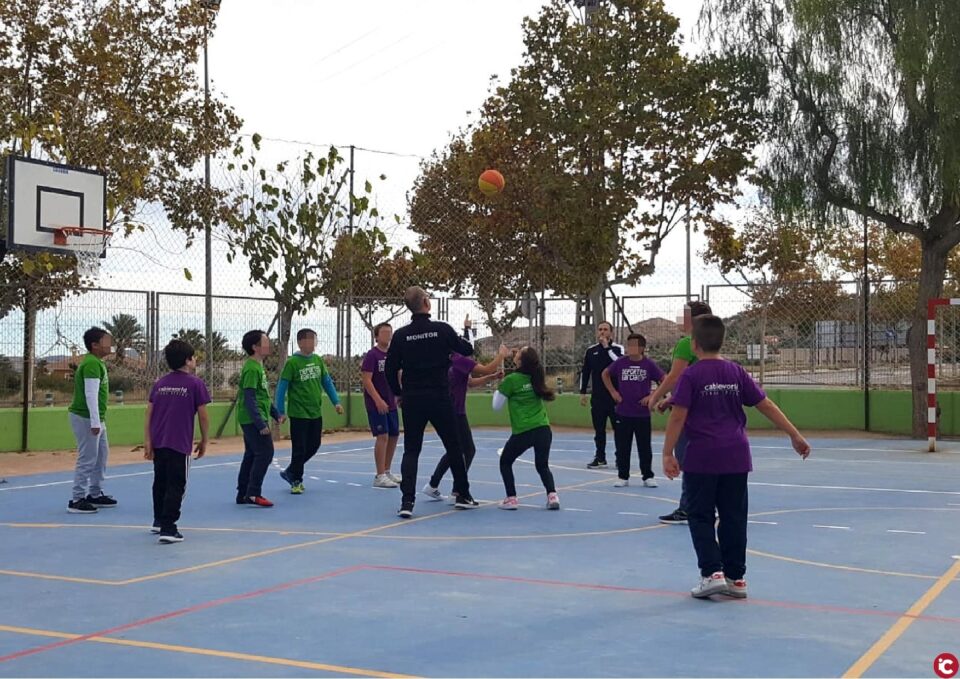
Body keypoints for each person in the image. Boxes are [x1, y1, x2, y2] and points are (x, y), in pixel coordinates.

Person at [662, 314, 810, 599]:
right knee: (733, 517)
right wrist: (794, 434)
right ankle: (736, 578)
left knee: (700, 515)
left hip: (703, 457)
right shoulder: (736, 371)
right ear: (722, 341)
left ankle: (712, 573)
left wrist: (668, 453)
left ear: (693, 345)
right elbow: (765, 404)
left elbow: (678, 415)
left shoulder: (691, 375)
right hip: (736, 456)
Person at [385, 286, 479, 518]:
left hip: (413, 398)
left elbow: (390, 369)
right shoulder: (442, 330)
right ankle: (463, 494)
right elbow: (467, 349)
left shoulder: (401, 335)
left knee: (411, 450)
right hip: (439, 397)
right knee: (454, 446)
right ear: (426, 302)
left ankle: (407, 502)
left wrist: (399, 393)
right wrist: (467, 331)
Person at [422, 315, 512, 502]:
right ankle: (457, 489)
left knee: (454, 449)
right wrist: (501, 356)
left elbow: (469, 382)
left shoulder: (447, 360)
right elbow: (485, 368)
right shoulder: (460, 360)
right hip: (455, 411)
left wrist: (492, 378)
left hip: (446, 410)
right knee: (468, 450)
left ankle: (434, 484)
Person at [646, 301, 713, 525]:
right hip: (707, 409)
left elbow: (675, 377)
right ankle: (696, 506)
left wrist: (656, 396)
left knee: (687, 459)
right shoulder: (712, 345)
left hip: (689, 412)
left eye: (683, 316)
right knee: (699, 461)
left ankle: (694, 508)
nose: (679, 320)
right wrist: (671, 399)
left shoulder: (687, 344)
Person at [144, 339, 211, 544]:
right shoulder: (195, 384)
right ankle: (169, 527)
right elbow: (203, 415)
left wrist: (147, 440)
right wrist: (205, 440)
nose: (196, 360)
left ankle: (158, 520)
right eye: (194, 357)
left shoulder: (160, 383)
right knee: (177, 484)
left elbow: (149, 412)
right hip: (179, 443)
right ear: (188, 360)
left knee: (160, 482)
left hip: (159, 441)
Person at [275, 329, 344, 494]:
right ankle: (296, 480)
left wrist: (336, 402)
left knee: (314, 444)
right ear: (300, 342)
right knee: (299, 448)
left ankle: (291, 471)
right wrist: (280, 411)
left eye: (315, 340)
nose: (313, 343)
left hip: (315, 412)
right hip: (298, 413)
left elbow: (327, 382)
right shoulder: (292, 363)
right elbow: (282, 388)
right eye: (310, 340)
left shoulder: (318, 360)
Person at [493, 347, 560, 510]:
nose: (515, 353)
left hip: (524, 430)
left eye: (518, 352)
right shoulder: (536, 376)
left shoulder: (512, 380)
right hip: (543, 428)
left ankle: (511, 498)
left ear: (520, 360)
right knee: (542, 465)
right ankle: (552, 496)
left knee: (505, 461)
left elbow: (496, 406)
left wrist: (499, 388)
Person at [601, 333, 665, 488]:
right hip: (623, 412)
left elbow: (664, 379)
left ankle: (647, 476)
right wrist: (613, 392)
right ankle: (623, 476)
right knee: (623, 446)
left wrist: (653, 396)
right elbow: (605, 374)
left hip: (642, 413)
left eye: (634, 345)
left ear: (642, 348)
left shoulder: (649, 364)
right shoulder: (621, 363)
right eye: (628, 345)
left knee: (644, 446)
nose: (630, 348)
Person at [67, 327, 117, 514]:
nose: (110, 344)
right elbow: (90, 395)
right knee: (87, 458)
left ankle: (94, 493)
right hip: (86, 417)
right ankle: (77, 499)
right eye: (106, 341)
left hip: (96, 418)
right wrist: (95, 422)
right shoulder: (91, 364)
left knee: (102, 455)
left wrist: (98, 420)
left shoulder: (97, 363)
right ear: (95, 345)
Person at [236, 329, 284, 507]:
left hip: (256, 417)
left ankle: (243, 493)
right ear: (255, 347)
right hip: (251, 419)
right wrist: (260, 423)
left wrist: (275, 413)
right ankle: (253, 493)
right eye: (265, 342)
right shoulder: (251, 369)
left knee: (251, 454)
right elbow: (249, 398)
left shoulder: (258, 367)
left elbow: (262, 396)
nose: (269, 344)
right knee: (265, 453)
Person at [361, 323, 401, 488]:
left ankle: (387, 470)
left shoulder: (393, 355)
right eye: (384, 333)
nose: (387, 335)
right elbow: (366, 380)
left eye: (389, 332)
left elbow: (398, 374)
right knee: (382, 436)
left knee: (394, 434)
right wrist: (377, 400)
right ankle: (379, 475)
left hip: (391, 401)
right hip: (376, 403)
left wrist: (399, 393)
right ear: (376, 336)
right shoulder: (372, 355)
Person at [579, 321, 623, 468]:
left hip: (615, 397)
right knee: (599, 430)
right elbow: (585, 372)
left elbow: (618, 363)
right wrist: (583, 392)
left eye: (605, 329)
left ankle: (620, 457)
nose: (602, 332)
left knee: (619, 429)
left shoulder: (618, 349)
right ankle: (600, 457)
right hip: (598, 397)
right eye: (600, 329)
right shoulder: (591, 351)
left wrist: (606, 347)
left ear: (611, 332)